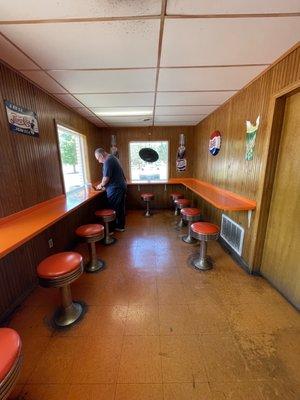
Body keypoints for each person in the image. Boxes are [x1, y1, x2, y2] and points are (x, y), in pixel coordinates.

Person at [94, 148, 127, 231]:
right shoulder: (113, 158)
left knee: (113, 208)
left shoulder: (108, 161)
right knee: (119, 207)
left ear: (101, 155)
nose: (99, 161)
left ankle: (111, 230)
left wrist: (100, 185)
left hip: (116, 188)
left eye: (98, 159)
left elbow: (106, 178)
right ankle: (120, 226)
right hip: (120, 186)